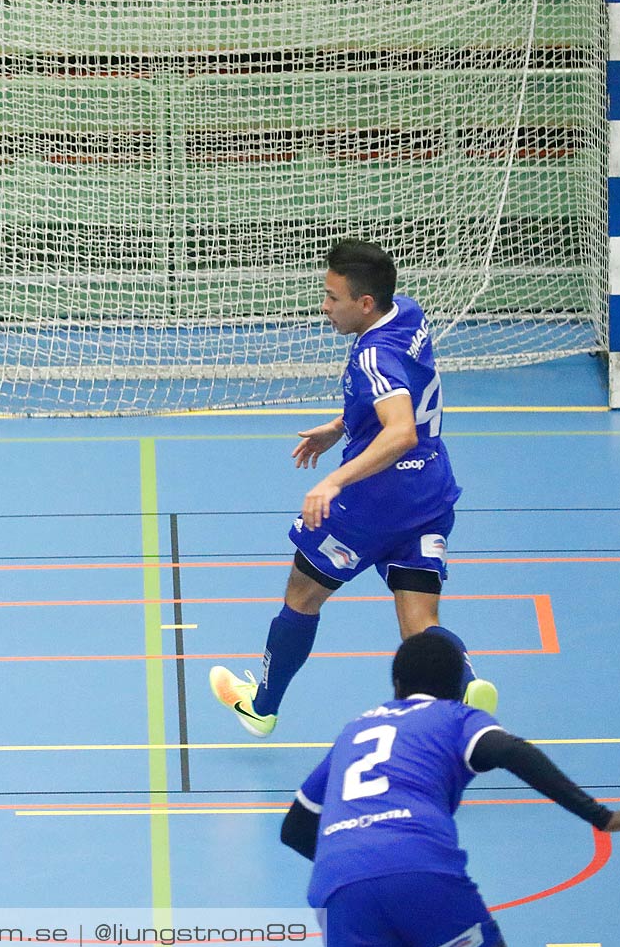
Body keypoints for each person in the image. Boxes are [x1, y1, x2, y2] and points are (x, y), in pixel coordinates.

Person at [210, 239, 495, 736]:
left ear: (365, 303)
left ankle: (262, 706)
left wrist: (334, 479)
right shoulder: (408, 313)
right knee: (419, 620)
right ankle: (465, 683)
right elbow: (397, 397)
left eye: (332, 297)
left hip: (370, 502)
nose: (324, 307)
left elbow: (400, 429)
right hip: (428, 490)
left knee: (302, 596)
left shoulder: (372, 355)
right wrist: (342, 425)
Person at [281, 631, 620, 947]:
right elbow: (511, 750)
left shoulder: (354, 731)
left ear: (397, 685)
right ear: (459, 690)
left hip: (339, 887)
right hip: (418, 869)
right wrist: (600, 816)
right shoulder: (456, 717)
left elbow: (294, 828)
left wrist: (362, 865)